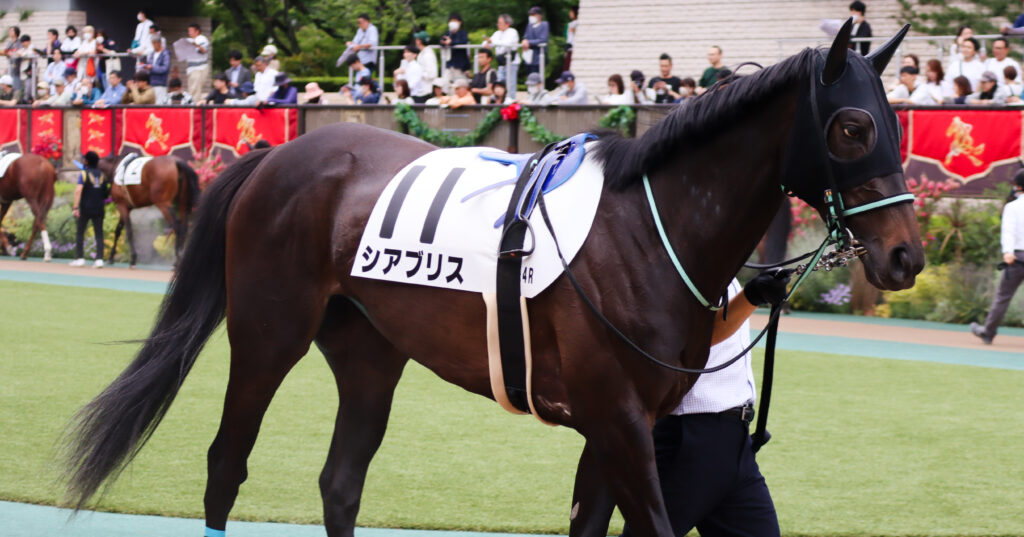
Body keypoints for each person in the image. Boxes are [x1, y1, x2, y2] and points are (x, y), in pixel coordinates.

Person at [613, 272, 791, 537]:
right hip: (689, 439)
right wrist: (752, 296)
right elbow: (695, 339)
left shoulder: (721, 266)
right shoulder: (681, 268)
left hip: (732, 443)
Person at [972, 170, 1024, 345]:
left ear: (1018, 186)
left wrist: (1007, 252)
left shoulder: (1013, 207)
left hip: (1017, 257)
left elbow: (1008, 231)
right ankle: (987, 331)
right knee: (1003, 296)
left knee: (1003, 296)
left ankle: (988, 332)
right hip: (1017, 257)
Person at [70, 151, 111, 269]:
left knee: (80, 232)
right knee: (99, 233)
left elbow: (78, 191)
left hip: (85, 208)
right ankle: (99, 260)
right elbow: (106, 192)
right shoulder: (103, 175)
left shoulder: (83, 174)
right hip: (99, 208)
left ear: (86, 161)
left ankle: (80, 258)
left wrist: (75, 207)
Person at [484, 14, 520, 83]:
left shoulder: (513, 32)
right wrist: (487, 43)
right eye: (498, 23)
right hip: (501, 62)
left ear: (507, 24)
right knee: (500, 84)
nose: (498, 25)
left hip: (511, 62)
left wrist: (492, 42)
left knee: (510, 84)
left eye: (500, 23)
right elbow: (488, 42)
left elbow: (507, 43)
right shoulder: (497, 33)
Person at [139, 33, 170, 103]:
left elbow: (165, 68)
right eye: (153, 43)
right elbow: (149, 65)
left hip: (160, 84)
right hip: (151, 84)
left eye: (155, 43)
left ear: (159, 43)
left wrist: (152, 68)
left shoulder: (165, 54)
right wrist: (145, 67)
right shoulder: (152, 54)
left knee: (160, 104)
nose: (154, 45)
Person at [440, 13, 470, 81]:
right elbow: (441, 41)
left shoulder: (463, 33)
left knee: (458, 85)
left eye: (455, 21)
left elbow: (463, 42)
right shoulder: (448, 33)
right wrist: (444, 42)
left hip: (460, 66)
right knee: (445, 83)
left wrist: (451, 42)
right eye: (451, 21)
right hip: (449, 65)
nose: (452, 23)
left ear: (460, 22)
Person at [521, 6, 549, 75]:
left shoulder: (544, 24)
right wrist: (524, 41)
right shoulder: (529, 25)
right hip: (529, 57)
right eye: (530, 15)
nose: (531, 17)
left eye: (533, 15)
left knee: (537, 77)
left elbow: (543, 40)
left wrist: (529, 42)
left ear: (539, 16)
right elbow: (526, 37)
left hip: (539, 58)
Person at [185, 23, 210, 99]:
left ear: (197, 31)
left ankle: (194, 109)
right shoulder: (190, 40)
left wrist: (195, 44)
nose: (189, 32)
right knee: (192, 91)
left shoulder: (201, 39)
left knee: (195, 91)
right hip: (191, 69)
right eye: (189, 31)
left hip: (199, 68)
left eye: (191, 30)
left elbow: (203, 50)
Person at [563, 6, 578, 71]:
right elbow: (566, 36)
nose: (570, 14)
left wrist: (575, 31)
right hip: (569, 48)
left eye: (571, 12)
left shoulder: (580, 23)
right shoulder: (569, 24)